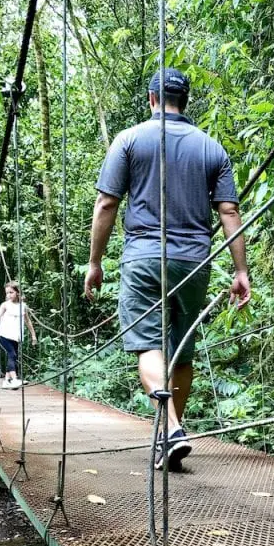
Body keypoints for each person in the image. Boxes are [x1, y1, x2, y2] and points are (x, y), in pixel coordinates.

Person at [85, 67, 251, 471]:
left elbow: (107, 204)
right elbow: (228, 210)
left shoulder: (128, 140)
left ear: (151, 98)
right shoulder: (213, 148)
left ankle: (171, 428)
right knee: (182, 349)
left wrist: (95, 262)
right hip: (194, 262)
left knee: (148, 345)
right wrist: (240, 270)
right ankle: (169, 436)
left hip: (143, 258)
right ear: (185, 101)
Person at [0, 281, 37, 389]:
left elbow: (28, 321)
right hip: (3, 334)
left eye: (11, 292)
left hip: (16, 336)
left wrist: (33, 335)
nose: (8, 295)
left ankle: (6, 381)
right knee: (12, 354)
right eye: (7, 293)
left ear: (17, 292)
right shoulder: (5, 305)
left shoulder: (23, 306)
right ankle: (14, 379)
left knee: (12, 357)